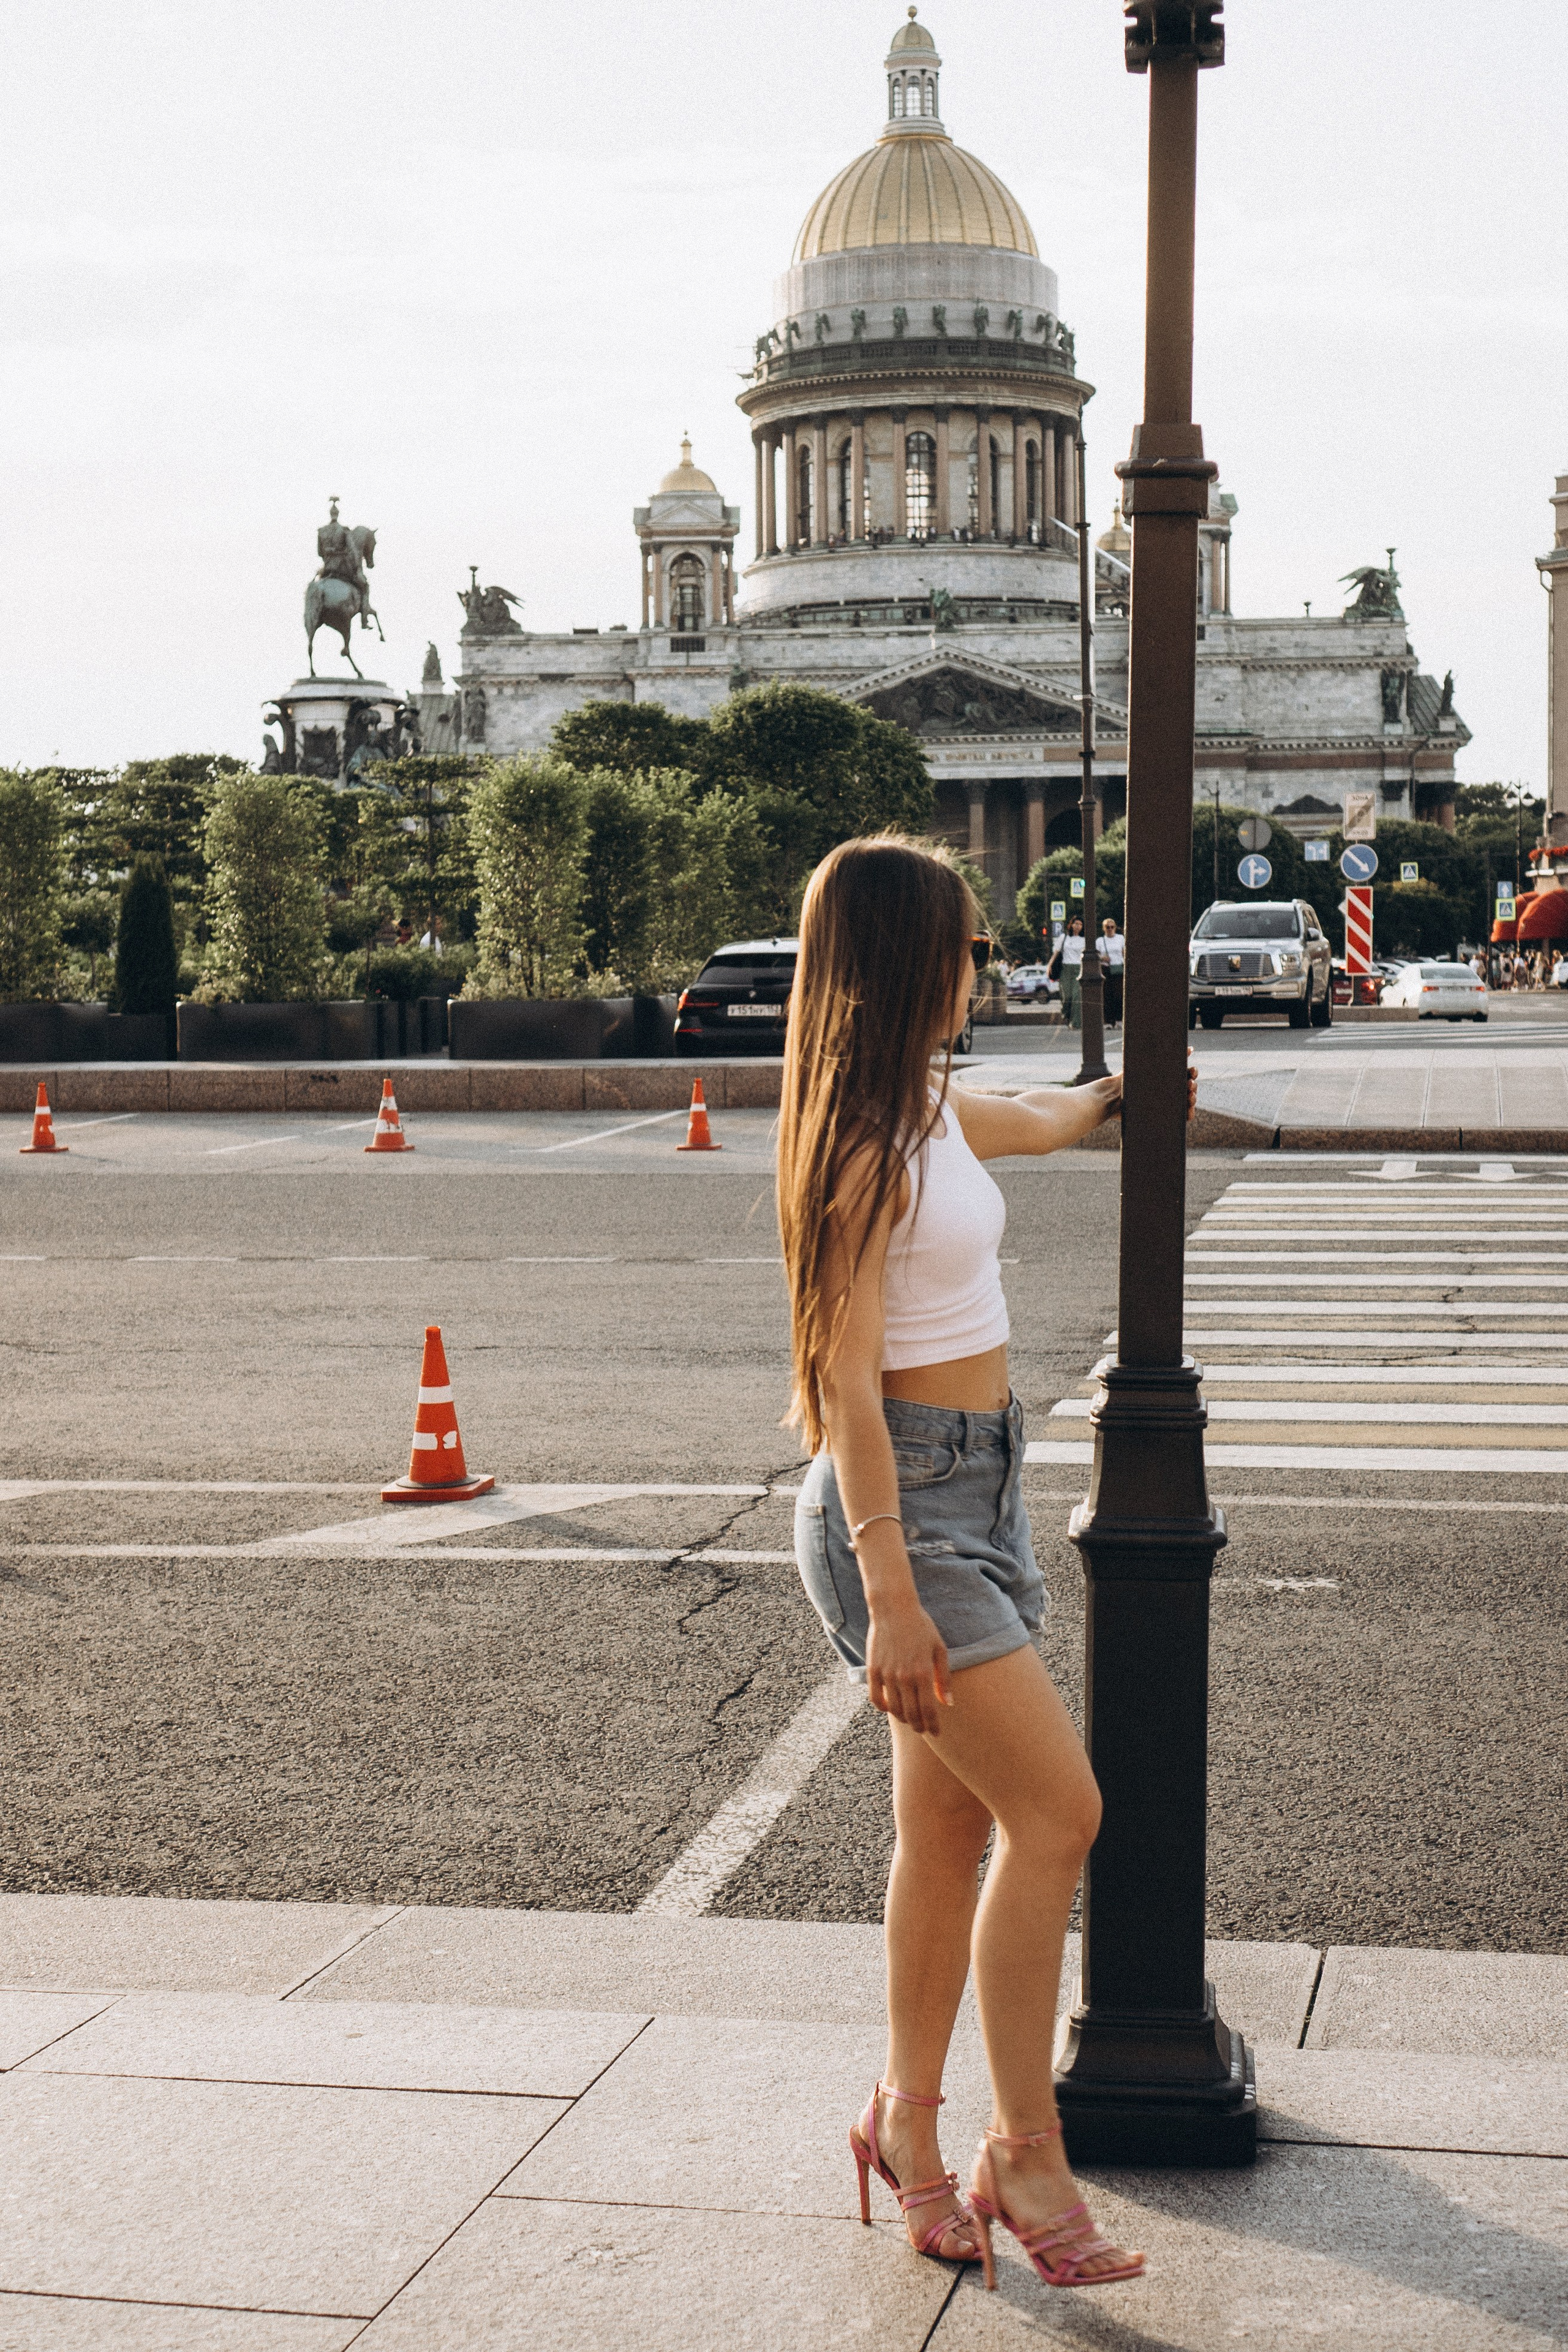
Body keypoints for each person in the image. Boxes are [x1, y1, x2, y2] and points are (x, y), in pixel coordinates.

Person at [779, 835, 1145, 2296]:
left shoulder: (928, 1104)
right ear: (902, 958)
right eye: (966, 945)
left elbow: (1044, 1122)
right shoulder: (857, 1145)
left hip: (978, 1483)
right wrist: (887, 1594)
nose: (981, 966)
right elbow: (846, 1388)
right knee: (1057, 1815)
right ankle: (1020, 2143)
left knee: (945, 1838)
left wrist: (1122, 1094)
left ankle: (903, 2132)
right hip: (901, 1511)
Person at [1047, 916, 1086, 1028]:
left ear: (1083, 927)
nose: (1078, 926)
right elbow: (1056, 953)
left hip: (1079, 969)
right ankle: (1066, 1015)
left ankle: (1075, 1023)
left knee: (1076, 996)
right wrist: (1050, 965)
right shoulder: (1064, 937)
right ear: (1071, 925)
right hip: (1066, 969)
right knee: (1066, 997)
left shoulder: (1084, 940)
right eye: (1076, 923)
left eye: (1080, 924)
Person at [1099, 917, 1125, 1028]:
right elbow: (1095, 955)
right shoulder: (1100, 941)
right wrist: (1102, 958)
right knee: (1107, 995)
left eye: (1112, 927)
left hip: (1118, 968)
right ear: (1104, 929)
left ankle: (1119, 1020)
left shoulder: (1120, 938)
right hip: (1106, 969)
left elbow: (1124, 952)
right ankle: (1108, 1021)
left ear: (1115, 928)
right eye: (1107, 927)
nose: (1110, 929)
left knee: (1119, 995)